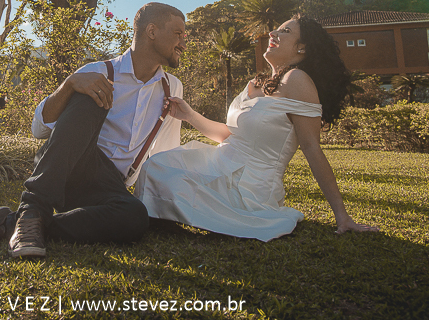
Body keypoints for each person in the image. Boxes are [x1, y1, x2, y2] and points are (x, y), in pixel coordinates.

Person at [0, 2, 187, 257]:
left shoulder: (172, 88)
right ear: (152, 31)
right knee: (90, 92)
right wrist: (70, 84)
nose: (183, 42)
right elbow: (39, 129)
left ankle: (12, 223)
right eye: (178, 33)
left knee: (135, 217)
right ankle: (33, 209)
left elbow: (164, 153)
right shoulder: (98, 71)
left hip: (109, 185)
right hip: (67, 165)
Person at [134, 16, 379, 240]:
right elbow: (229, 135)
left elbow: (312, 148)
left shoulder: (297, 81)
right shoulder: (257, 83)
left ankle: (176, 215)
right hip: (221, 162)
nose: (273, 33)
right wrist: (189, 115)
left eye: (285, 31)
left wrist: (342, 216)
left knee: (170, 181)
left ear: (301, 47)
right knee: (156, 167)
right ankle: (165, 214)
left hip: (248, 185)